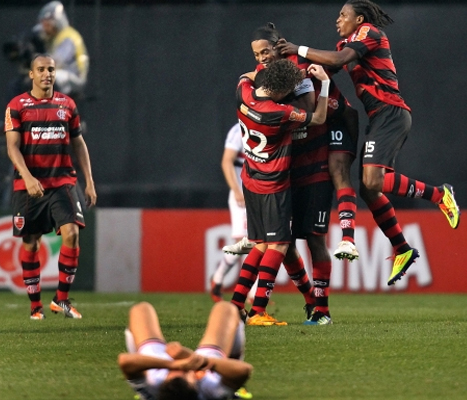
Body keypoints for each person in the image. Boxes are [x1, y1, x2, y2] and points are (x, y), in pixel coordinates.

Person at [276, 0, 460, 286]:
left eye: (343, 15)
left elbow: (337, 62)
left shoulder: (369, 33)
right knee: (369, 190)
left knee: (373, 182)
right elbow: (324, 68)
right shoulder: (344, 46)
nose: (337, 20)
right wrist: (286, 73)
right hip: (378, 117)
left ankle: (440, 195)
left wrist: (297, 48)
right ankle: (401, 248)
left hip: (391, 112)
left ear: (359, 18)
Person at [231, 59, 330, 326]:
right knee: (279, 245)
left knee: (260, 243)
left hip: (250, 179)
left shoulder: (243, 92)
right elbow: (319, 117)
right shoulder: (279, 112)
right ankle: (258, 311)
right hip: (273, 185)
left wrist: (265, 73)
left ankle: (236, 304)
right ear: (280, 93)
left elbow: (245, 74)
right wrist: (326, 83)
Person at [4, 53, 97, 320]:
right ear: (32, 74)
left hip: (62, 182)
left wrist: (89, 181)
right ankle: (36, 306)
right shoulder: (16, 106)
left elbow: (78, 143)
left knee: (72, 234)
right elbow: (12, 148)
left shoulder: (67, 105)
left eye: (51, 69)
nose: (47, 74)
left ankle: (61, 300)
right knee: (31, 243)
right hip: (28, 186)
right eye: (42, 69)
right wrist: (28, 177)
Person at [118, 301, 253, 400]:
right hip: (203, 368)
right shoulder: (210, 390)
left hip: (159, 366)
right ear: (195, 383)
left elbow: (124, 361)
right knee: (226, 309)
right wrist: (193, 358)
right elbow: (243, 370)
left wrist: (173, 365)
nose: (181, 364)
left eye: (173, 372)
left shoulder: (154, 382)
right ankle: (233, 385)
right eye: (184, 371)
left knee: (141, 309)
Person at [210, 122, 257, 304]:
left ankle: (253, 295)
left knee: (260, 242)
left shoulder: (267, 126)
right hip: (241, 194)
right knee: (246, 243)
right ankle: (220, 279)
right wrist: (236, 190)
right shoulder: (239, 130)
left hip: (259, 193)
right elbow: (226, 160)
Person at [37, 1, 89, 99]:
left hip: (74, 76)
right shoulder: (54, 38)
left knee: (51, 79)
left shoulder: (69, 36)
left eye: (47, 25)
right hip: (62, 74)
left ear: (56, 21)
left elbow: (57, 61)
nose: (45, 29)